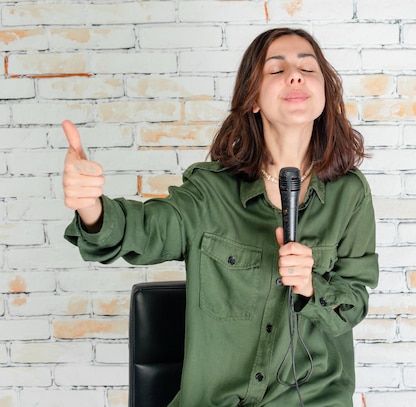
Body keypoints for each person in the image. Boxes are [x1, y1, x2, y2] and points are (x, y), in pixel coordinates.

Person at [63, 27, 379, 406]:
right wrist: (91, 206)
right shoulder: (209, 192)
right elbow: (146, 231)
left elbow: (353, 303)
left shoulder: (350, 193)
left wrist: (312, 286)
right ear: (254, 100)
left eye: (308, 69)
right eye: (276, 70)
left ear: (324, 94)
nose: (295, 75)